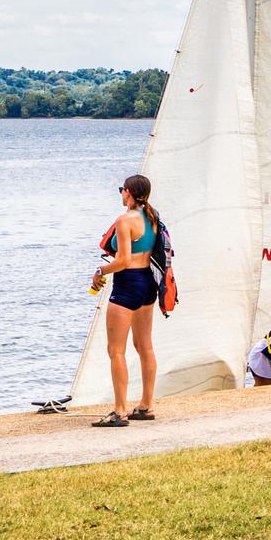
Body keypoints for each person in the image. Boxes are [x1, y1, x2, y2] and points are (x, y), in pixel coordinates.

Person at [88, 174, 164, 428]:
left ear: (129, 192)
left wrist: (100, 271)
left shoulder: (125, 220)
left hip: (127, 284)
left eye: (122, 190)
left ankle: (119, 411)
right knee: (145, 346)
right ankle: (146, 405)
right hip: (147, 283)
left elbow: (121, 261)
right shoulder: (153, 218)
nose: (121, 193)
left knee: (115, 350)